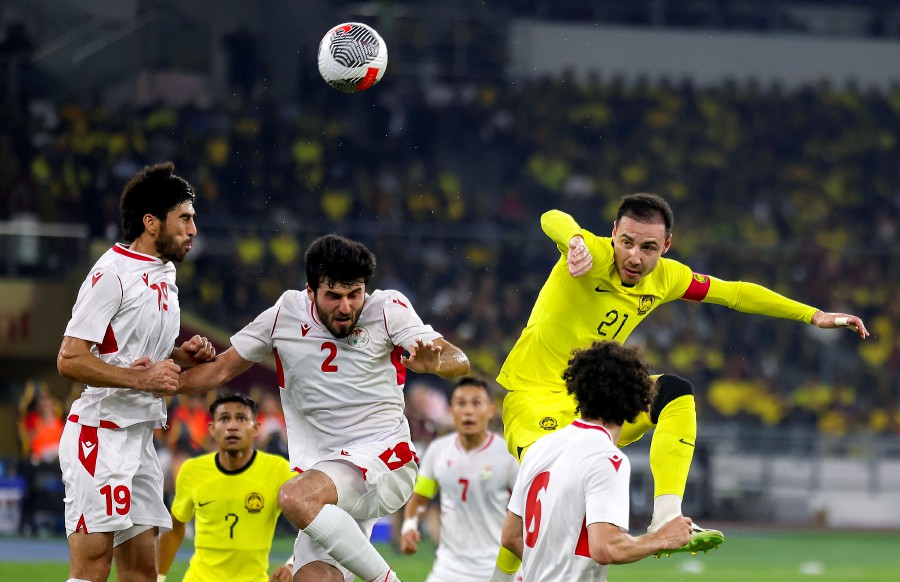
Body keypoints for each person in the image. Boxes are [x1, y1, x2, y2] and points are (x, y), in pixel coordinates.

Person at [493, 193, 870, 575]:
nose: (635, 257)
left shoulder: (667, 277)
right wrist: (574, 241)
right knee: (533, 519)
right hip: (534, 397)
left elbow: (735, 293)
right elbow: (551, 216)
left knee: (673, 392)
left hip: (596, 401)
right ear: (613, 235)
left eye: (648, 247)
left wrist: (813, 315)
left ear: (666, 247)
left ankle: (666, 515)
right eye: (626, 242)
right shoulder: (592, 253)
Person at [177, 234, 471, 582]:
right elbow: (221, 369)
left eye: (354, 294)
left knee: (294, 496)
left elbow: (458, 359)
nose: (346, 307)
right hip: (327, 481)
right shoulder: (284, 315)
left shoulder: (388, 308)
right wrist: (151, 383)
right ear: (310, 291)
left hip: (385, 458)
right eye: (333, 295)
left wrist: (436, 364)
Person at [56, 162, 216, 582]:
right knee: (92, 566)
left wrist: (181, 355)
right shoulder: (111, 274)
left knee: (143, 572)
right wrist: (140, 380)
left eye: (193, 219)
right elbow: (69, 358)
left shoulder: (166, 274)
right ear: (151, 222)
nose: (193, 230)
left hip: (140, 436)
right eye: (184, 218)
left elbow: (135, 353)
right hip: (99, 434)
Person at [492, 341, 694, 582]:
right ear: (638, 400)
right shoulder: (608, 459)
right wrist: (663, 538)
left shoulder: (540, 449)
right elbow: (605, 548)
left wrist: (557, 566)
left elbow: (512, 537)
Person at [157, 392, 296, 582]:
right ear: (212, 429)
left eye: (241, 418)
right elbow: (175, 527)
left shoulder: (278, 470)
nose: (232, 426)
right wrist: (159, 577)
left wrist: (292, 564)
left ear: (256, 428)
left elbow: (312, 520)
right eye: (224, 419)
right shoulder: (192, 470)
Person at [399, 377, 518, 581]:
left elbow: (525, 510)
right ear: (451, 410)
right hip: (448, 568)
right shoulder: (438, 450)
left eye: (476, 403)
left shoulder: (507, 454)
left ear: (490, 410)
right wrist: (409, 526)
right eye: (461, 404)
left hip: (494, 567)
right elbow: (420, 497)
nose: (468, 411)